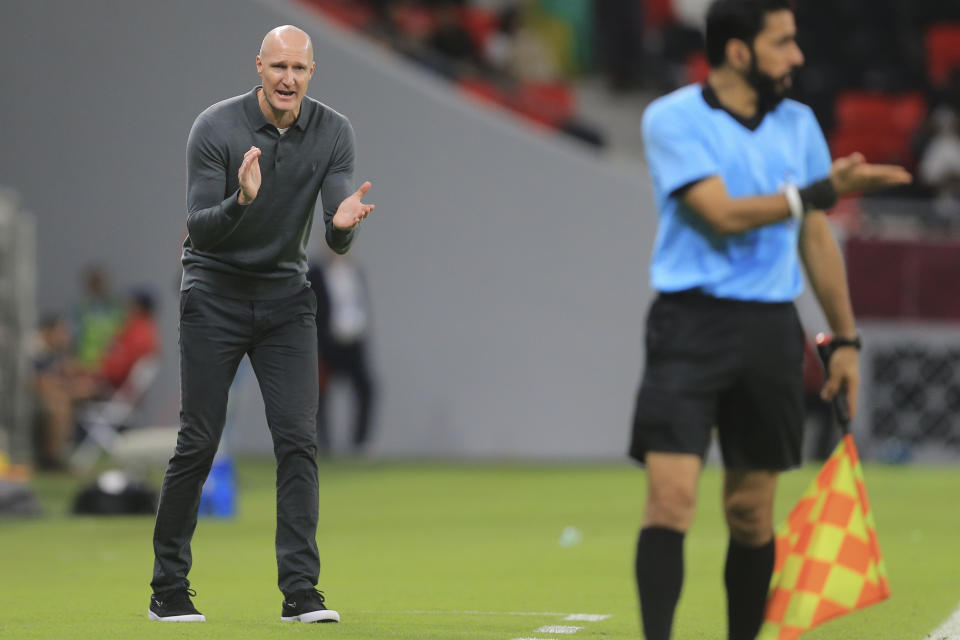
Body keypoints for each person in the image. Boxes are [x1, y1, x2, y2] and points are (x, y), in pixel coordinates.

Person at [629, 2, 911, 639]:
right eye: (783, 43)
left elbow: (815, 237)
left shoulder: (799, 124)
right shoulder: (671, 118)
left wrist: (845, 340)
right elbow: (719, 214)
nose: (798, 57)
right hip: (688, 326)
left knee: (751, 513)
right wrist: (813, 193)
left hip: (769, 332)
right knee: (670, 500)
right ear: (737, 51)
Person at [149, 25, 375, 624]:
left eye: (299, 69)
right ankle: (168, 588)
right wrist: (242, 200)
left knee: (298, 441)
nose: (288, 79)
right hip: (214, 295)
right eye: (278, 67)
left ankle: (301, 592)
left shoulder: (333, 132)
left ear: (312, 72)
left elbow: (335, 236)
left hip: (284, 300)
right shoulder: (214, 128)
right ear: (258, 67)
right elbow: (201, 227)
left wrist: (346, 224)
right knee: (198, 441)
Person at [307, 252, 377, 455]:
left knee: (366, 388)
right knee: (320, 395)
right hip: (328, 344)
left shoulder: (355, 270)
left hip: (353, 343)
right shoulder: (317, 273)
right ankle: (325, 445)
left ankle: (359, 444)